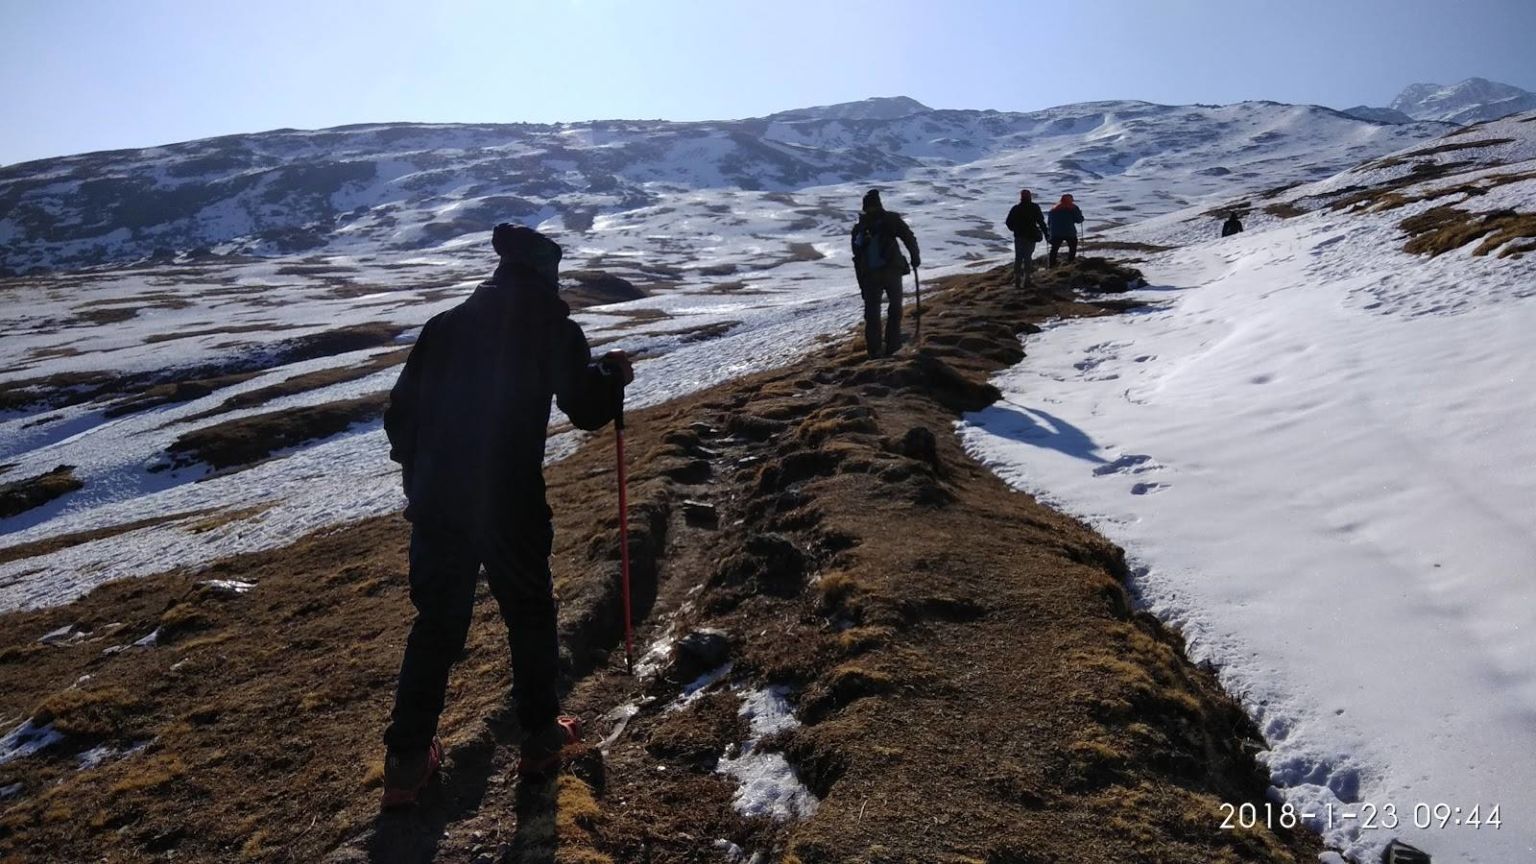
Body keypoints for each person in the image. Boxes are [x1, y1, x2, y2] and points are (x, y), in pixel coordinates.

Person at [379, 223, 633, 808]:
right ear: (544, 271)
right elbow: (588, 410)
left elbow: (400, 415)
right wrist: (612, 377)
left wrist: (425, 473)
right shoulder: (550, 325)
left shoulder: (444, 326)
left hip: (440, 500)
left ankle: (406, 761)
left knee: (437, 624)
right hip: (510, 499)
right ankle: (541, 736)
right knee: (529, 611)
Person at [850, 189, 920, 358]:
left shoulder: (860, 228)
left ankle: (874, 351)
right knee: (895, 309)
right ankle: (893, 346)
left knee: (872, 313)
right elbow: (908, 237)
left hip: (870, 275)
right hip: (892, 270)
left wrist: (862, 284)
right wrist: (914, 257)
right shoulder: (890, 219)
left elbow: (857, 258)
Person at [1004, 189, 1050, 288]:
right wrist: (1046, 233)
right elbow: (1041, 222)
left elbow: (1008, 222)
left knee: (1018, 257)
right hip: (1031, 235)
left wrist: (1015, 229)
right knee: (1028, 256)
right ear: (1030, 197)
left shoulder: (1016, 208)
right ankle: (1027, 279)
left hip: (1019, 236)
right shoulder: (1034, 207)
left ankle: (1017, 279)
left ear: (1021, 197)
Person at [1047, 194, 1084, 267]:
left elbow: (1049, 222)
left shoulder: (1054, 208)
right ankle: (1070, 262)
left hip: (1055, 232)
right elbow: (1079, 220)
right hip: (1069, 231)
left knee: (1054, 249)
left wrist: (1049, 232)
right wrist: (1081, 217)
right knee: (1072, 247)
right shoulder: (1073, 207)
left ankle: (1051, 265)